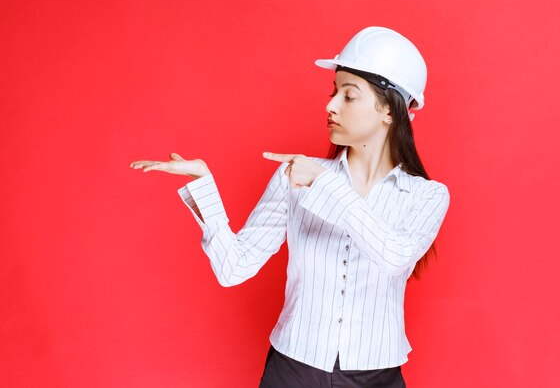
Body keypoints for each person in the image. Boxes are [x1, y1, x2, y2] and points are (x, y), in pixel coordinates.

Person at [130, 26, 450, 387]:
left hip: (378, 375)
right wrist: (204, 186)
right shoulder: (294, 177)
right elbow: (233, 268)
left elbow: (394, 257)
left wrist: (326, 185)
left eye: (349, 96)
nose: (330, 105)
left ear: (391, 112)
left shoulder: (427, 196)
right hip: (292, 370)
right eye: (333, 92)